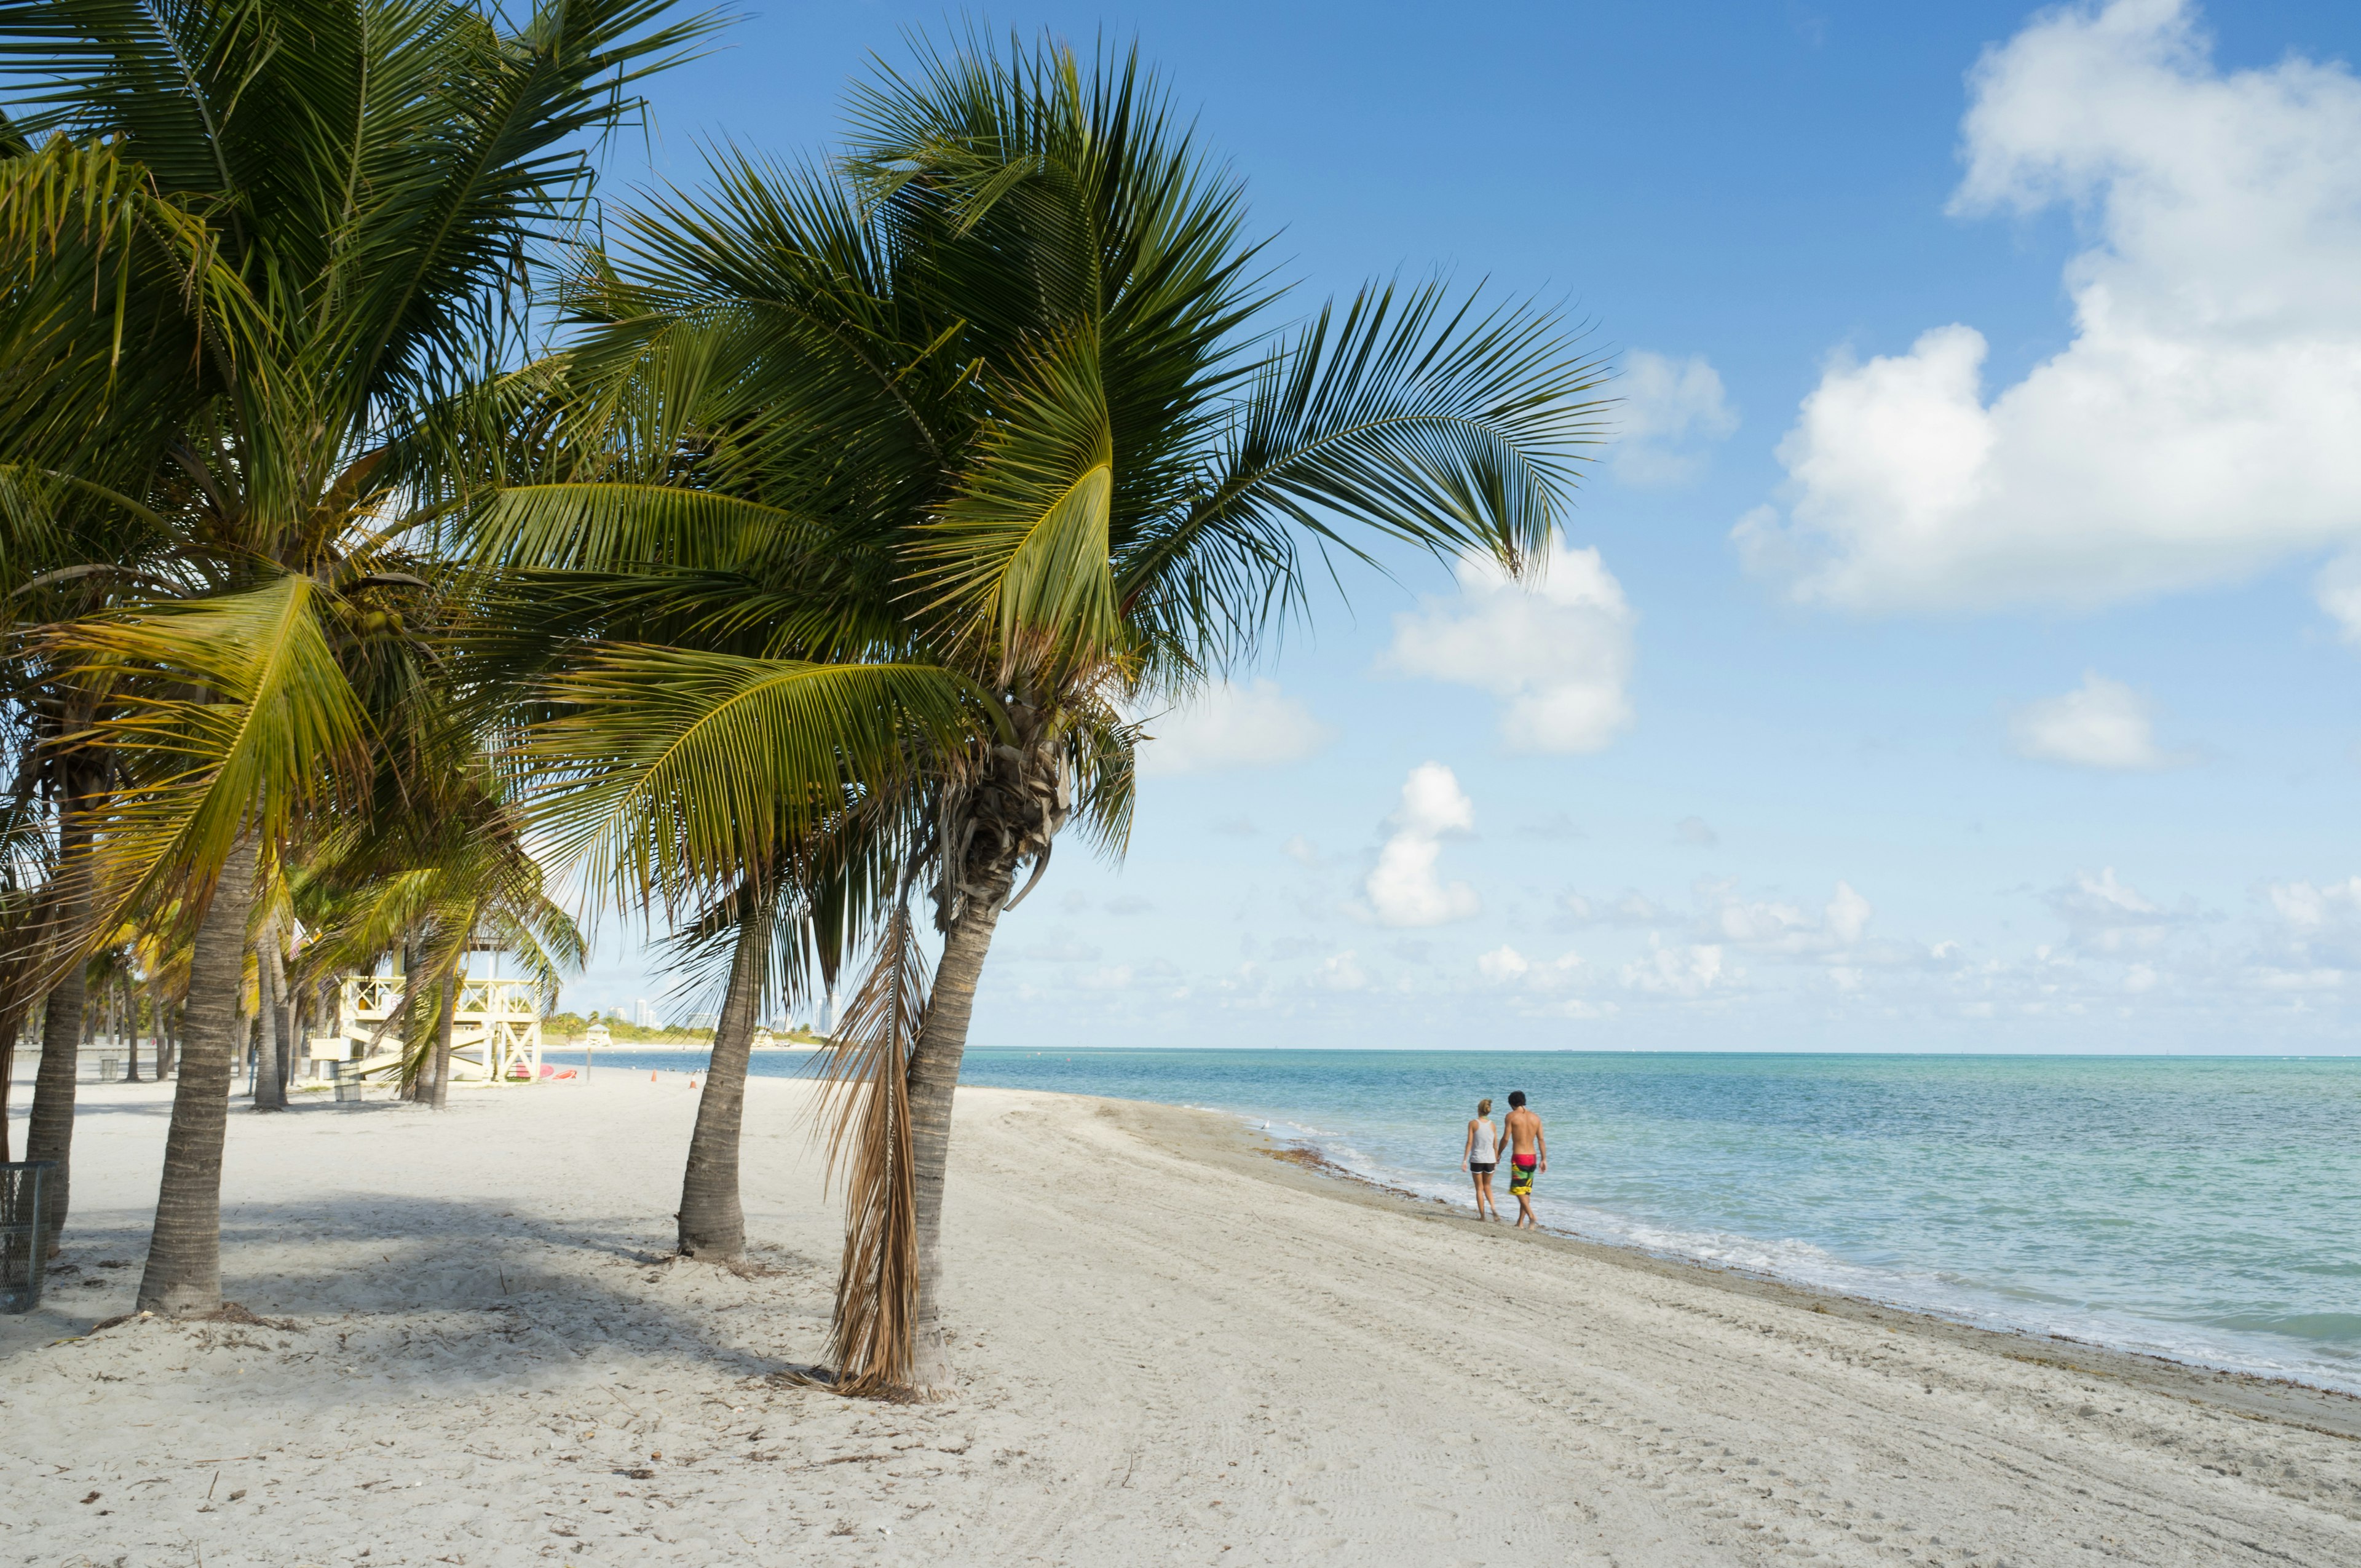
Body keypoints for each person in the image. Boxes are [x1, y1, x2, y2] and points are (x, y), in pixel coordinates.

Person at [1501, 1090, 1546, 1229]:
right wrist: (1544, 1159)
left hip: (1519, 1157)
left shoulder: (1511, 1116)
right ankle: (1520, 1223)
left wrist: (1498, 1152)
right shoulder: (1536, 1118)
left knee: (1518, 1190)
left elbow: (1506, 1138)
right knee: (1526, 1190)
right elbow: (1541, 1140)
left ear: (1511, 1104)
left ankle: (1532, 1216)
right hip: (1532, 1157)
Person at [1460, 1098, 1502, 1221]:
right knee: (1488, 1186)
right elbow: (1495, 1145)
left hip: (1477, 1160)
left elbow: (1469, 1142)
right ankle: (1493, 1208)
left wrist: (1464, 1160)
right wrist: (1496, 1160)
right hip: (1490, 1160)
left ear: (1479, 1109)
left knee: (1479, 1188)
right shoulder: (1493, 1125)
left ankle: (1483, 1216)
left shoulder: (1473, 1123)